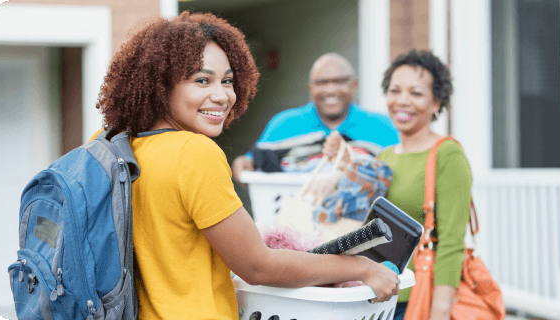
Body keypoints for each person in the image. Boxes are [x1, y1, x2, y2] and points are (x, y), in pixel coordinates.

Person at [94, 12, 399, 320]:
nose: (222, 95)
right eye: (202, 80)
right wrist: (362, 268)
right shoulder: (194, 153)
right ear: (161, 86)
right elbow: (258, 265)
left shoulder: (117, 145)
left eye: (227, 80)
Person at [322, 49, 471, 320]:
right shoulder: (385, 155)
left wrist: (439, 311)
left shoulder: (447, 154)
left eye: (416, 93)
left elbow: (451, 242)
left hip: (417, 299)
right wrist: (341, 162)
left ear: (437, 103)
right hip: (373, 296)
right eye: (395, 90)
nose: (402, 101)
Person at [232, 52, 400, 183]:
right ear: (310, 88)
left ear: (354, 86)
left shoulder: (383, 126)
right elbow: (250, 164)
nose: (331, 90)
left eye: (339, 81)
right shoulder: (284, 124)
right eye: (322, 83)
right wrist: (241, 166)